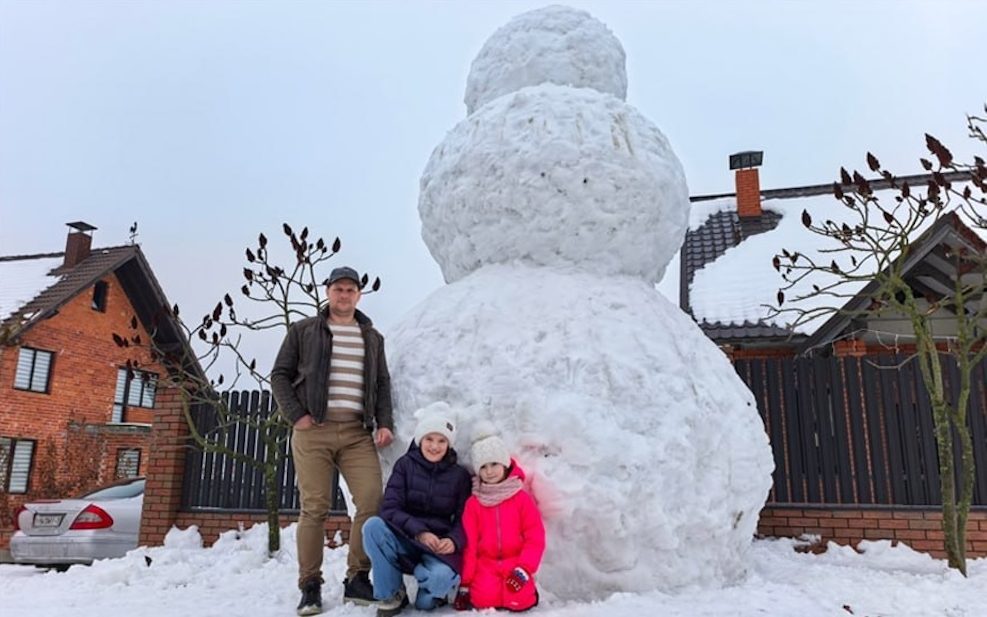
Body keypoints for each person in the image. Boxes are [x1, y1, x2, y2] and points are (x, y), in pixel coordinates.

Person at [271, 265, 394, 616]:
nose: (344, 295)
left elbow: (382, 383)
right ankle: (310, 584)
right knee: (315, 507)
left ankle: (358, 577)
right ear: (328, 292)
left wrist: (384, 422)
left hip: (357, 433)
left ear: (359, 295)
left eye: (350, 290)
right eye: (338, 289)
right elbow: (279, 375)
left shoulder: (372, 337)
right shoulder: (304, 331)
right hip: (314, 431)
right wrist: (297, 416)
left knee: (371, 501)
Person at [362, 408, 472, 617]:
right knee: (372, 527)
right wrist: (420, 532)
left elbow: (464, 518)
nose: (434, 446)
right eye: (429, 438)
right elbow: (390, 509)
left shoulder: (459, 476)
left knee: (433, 591)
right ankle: (393, 593)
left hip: (437, 548)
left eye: (442, 441)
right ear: (420, 439)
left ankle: (428, 591)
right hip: (406, 538)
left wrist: (453, 540)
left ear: (449, 444)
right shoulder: (405, 465)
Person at [455, 422, 546, 612]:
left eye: (494, 464)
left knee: (521, 600)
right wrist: (465, 585)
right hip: (485, 565)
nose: (489, 471)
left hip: (516, 561)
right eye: (483, 466)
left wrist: (525, 568)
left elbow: (535, 537)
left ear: (504, 463)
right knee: (482, 600)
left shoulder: (521, 498)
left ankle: (530, 591)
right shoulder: (474, 504)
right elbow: (470, 545)